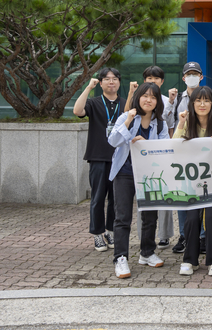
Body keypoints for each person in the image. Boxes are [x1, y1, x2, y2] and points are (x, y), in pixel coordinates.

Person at [107, 82, 169, 279]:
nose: (148, 100)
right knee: (122, 216)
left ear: (157, 101)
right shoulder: (126, 117)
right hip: (124, 172)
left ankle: (147, 252)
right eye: (145, 96)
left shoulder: (160, 123)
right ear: (138, 97)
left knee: (150, 216)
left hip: (150, 174)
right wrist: (128, 122)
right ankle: (120, 258)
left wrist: (147, 144)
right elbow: (113, 141)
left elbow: (165, 149)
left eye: (153, 97)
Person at [175, 86, 212, 277]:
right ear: (192, 103)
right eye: (198, 100)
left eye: (206, 100)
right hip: (190, 182)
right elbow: (173, 148)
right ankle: (190, 259)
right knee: (191, 219)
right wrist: (181, 124)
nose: (202, 104)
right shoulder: (187, 124)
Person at [73, 68, 126, 253]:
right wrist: (88, 87)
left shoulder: (125, 103)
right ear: (101, 83)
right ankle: (97, 234)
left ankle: (111, 231)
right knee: (97, 198)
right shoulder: (94, 103)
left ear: (119, 82)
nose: (111, 82)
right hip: (97, 157)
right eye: (107, 79)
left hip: (119, 158)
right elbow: (77, 110)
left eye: (114, 79)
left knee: (115, 199)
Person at [125, 66, 174, 250]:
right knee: (143, 205)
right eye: (149, 78)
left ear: (162, 81)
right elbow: (124, 126)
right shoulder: (136, 100)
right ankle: (144, 240)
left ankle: (164, 235)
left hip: (161, 158)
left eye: (156, 79)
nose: (149, 100)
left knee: (165, 201)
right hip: (136, 165)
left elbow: (170, 125)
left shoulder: (165, 102)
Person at [162, 61, 205, 255]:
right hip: (181, 154)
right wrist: (171, 102)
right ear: (183, 78)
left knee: (204, 196)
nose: (192, 77)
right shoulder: (178, 97)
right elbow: (166, 122)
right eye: (189, 74)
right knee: (181, 196)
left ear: (201, 77)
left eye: (196, 74)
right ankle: (184, 235)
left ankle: (202, 236)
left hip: (203, 155)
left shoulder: (207, 97)